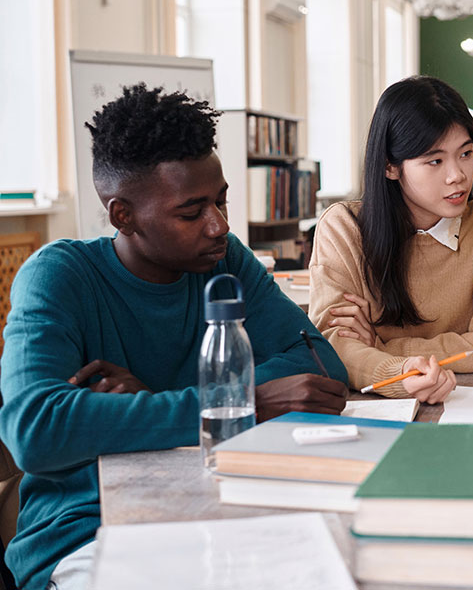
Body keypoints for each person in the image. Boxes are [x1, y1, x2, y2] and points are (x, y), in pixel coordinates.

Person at [0, 84, 350, 590]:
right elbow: (36, 431)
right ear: (123, 215)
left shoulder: (225, 260)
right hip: (90, 531)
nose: (219, 225)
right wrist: (242, 404)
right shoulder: (59, 276)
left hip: (224, 502)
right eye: (191, 212)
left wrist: (152, 403)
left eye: (221, 201)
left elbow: (321, 363)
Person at [309, 76, 473, 400]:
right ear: (390, 167)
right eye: (435, 161)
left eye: (465, 153)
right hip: (377, 407)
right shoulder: (344, 228)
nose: (458, 175)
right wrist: (399, 373)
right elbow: (333, 346)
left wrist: (383, 348)